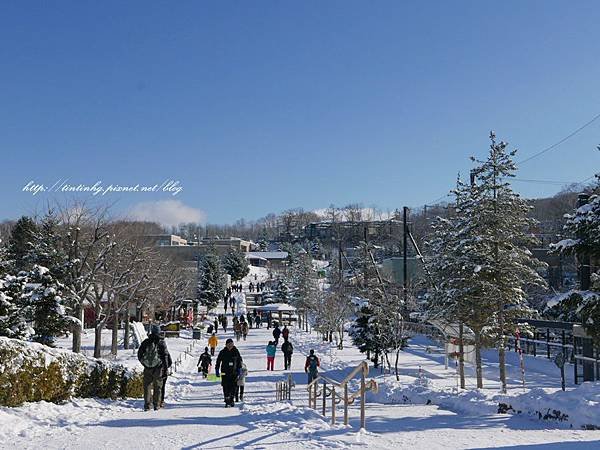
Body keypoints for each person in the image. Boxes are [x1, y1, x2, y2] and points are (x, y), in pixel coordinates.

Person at [137, 324, 172, 411]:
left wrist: (144, 363)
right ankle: (157, 405)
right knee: (158, 386)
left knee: (147, 386)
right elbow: (165, 356)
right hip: (158, 368)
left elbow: (139, 354)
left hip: (147, 367)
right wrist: (165, 368)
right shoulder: (161, 343)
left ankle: (147, 405)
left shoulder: (146, 342)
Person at [215, 338, 243, 407]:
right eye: (229, 344)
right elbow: (218, 361)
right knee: (225, 386)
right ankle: (227, 398)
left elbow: (239, 361)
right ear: (226, 345)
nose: (230, 346)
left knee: (233, 386)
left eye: (231, 344)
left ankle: (231, 399)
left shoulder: (236, 351)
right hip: (224, 372)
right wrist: (217, 370)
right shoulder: (222, 352)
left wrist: (239, 370)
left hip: (234, 372)